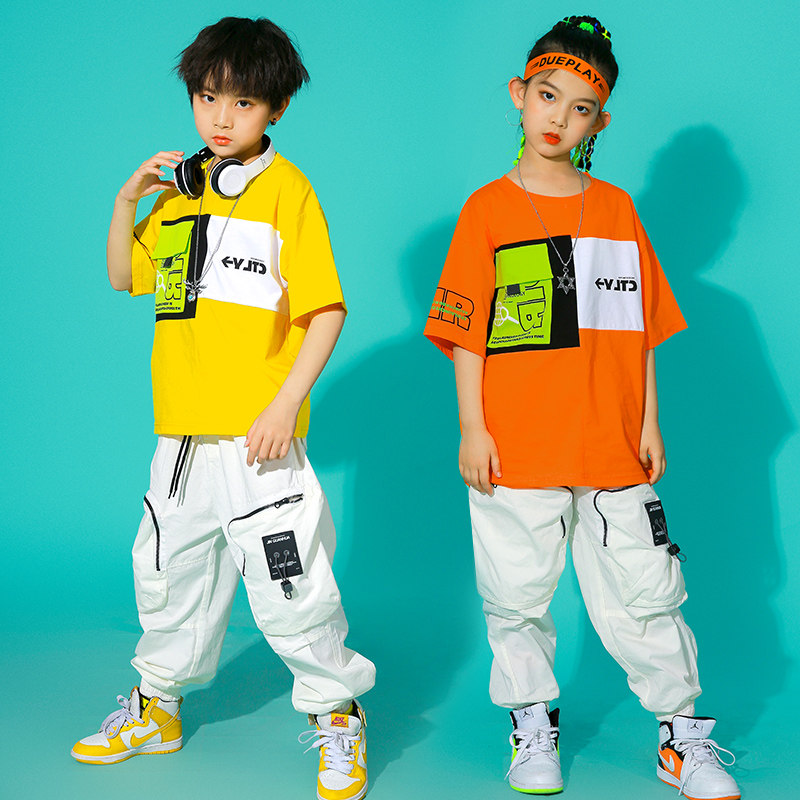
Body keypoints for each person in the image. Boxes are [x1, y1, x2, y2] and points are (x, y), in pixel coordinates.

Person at [423, 15, 739, 800]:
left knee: (646, 593)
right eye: (546, 95)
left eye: (580, 107)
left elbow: (642, 333)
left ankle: (680, 738)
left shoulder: (618, 211)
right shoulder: (487, 210)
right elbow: (467, 336)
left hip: (610, 445)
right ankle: (532, 725)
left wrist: (649, 421)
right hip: (516, 447)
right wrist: (472, 428)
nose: (558, 118)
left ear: (601, 121)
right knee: (516, 598)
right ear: (518, 94)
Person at [70, 17, 374, 800]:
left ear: (275, 108)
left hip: (258, 439)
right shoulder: (179, 196)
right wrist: (126, 201)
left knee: (290, 580)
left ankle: (337, 714)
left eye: (242, 102)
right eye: (208, 98)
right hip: (180, 432)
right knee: (167, 572)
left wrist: (284, 405)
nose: (220, 117)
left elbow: (326, 311)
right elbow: (124, 277)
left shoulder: (288, 192)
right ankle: (158, 710)